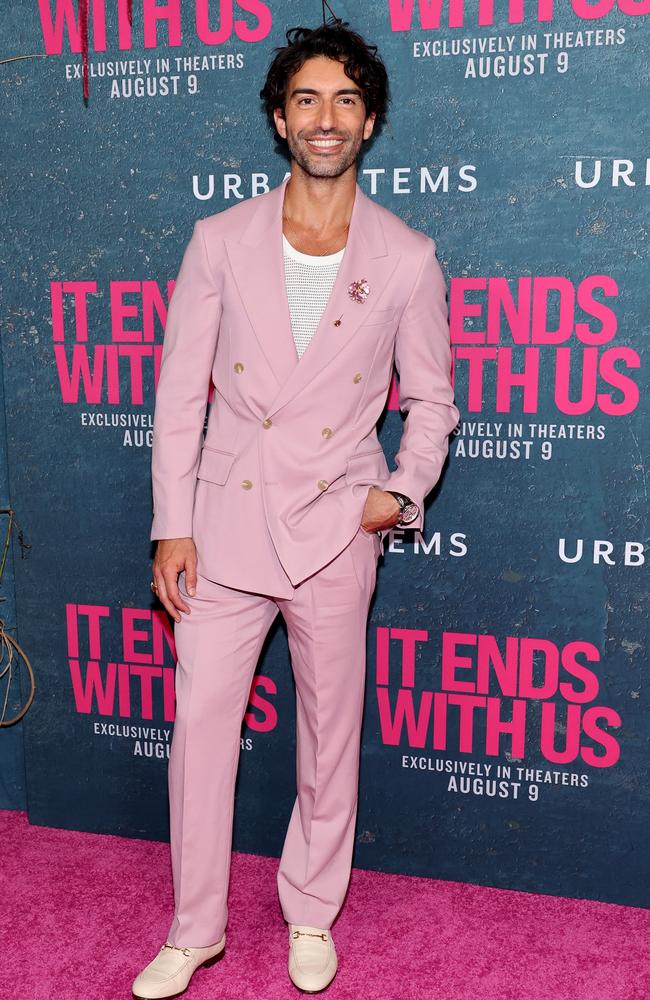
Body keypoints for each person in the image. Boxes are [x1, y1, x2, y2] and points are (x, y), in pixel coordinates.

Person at [132, 19, 460, 999]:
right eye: (306, 100)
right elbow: (178, 388)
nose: (325, 119)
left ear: (369, 122)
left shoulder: (404, 255)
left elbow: (433, 399)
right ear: (280, 119)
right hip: (223, 529)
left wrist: (395, 494)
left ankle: (310, 910)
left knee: (328, 732)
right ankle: (194, 930)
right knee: (198, 734)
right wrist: (170, 523)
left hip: (331, 529)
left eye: (345, 101)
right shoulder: (219, 239)